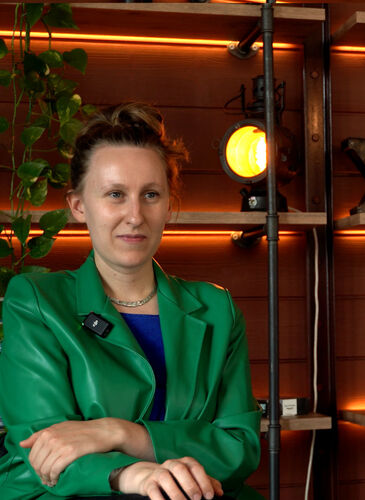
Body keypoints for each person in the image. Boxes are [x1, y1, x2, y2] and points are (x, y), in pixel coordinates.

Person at [0, 102, 262, 499]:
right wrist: (133, 475)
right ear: (78, 206)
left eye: (151, 194)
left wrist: (119, 432)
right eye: (115, 194)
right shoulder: (36, 300)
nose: (135, 215)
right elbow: (45, 451)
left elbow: (239, 449)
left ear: (169, 205)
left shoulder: (217, 308)